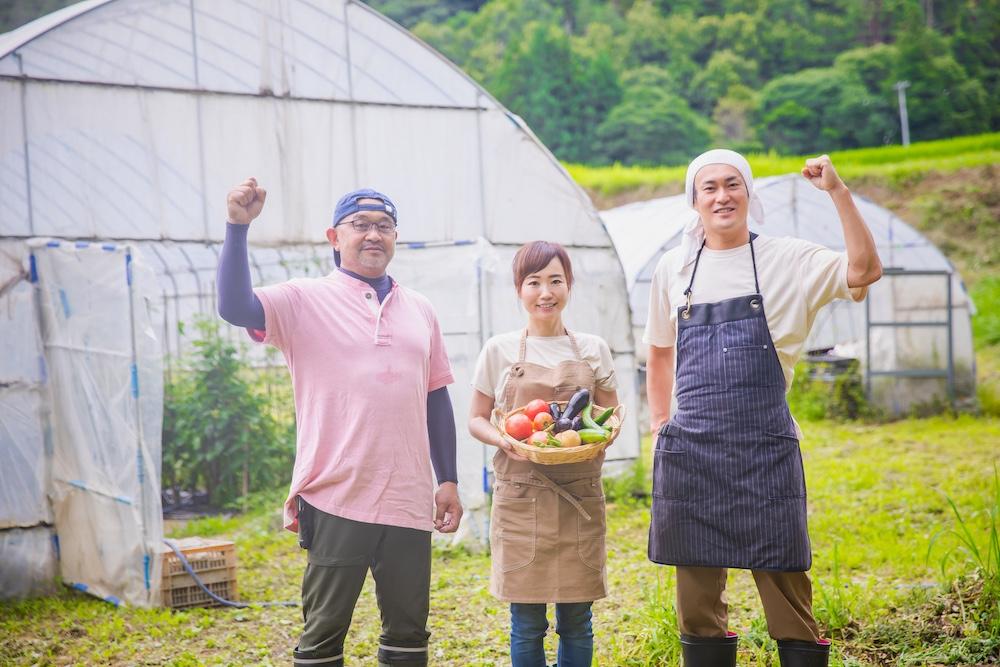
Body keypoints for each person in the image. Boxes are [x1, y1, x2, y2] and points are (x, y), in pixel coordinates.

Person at [644, 151, 883, 667]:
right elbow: (660, 350)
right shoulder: (674, 268)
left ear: (749, 195)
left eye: (733, 184)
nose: (722, 196)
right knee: (697, 601)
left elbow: (866, 268)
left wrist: (838, 192)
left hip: (764, 452)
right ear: (694, 201)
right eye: (708, 187)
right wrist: (661, 423)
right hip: (694, 455)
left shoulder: (788, 259)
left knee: (787, 589)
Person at [217, 178, 463, 667]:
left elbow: (436, 397)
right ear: (335, 237)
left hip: (407, 495)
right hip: (336, 493)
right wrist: (237, 228)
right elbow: (233, 307)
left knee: (409, 632)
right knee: (324, 632)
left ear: (396, 238)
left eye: (385, 226)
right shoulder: (302, 299)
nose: (373, 235)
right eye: (360, 225)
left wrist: (448, 479)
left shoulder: (420, 310)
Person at [468, 241, 619, 667]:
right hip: (521, 498)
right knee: (526, 622)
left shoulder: (593, 348)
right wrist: (506, 441)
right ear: (519, 289)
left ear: (569, 286)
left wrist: (593, 440)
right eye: (534, 282)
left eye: (556, 280)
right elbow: (477, 418)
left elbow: (607, 416)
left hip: (578, 495)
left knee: (578, 619)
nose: (545, 292)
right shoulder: (498, 350)